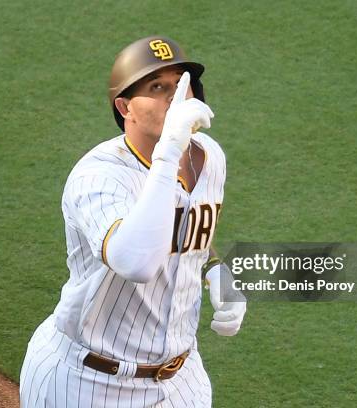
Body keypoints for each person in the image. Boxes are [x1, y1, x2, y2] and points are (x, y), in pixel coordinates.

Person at [20, 35, 246, 408]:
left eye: (179, 86)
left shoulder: (210, 158)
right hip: (87, 382)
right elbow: (136, 261)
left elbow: (183, 233)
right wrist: (170, 149)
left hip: (181, 380)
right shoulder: (98, 176)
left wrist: (216, 272)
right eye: (157, 88)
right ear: (125, 107)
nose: (174, 98)